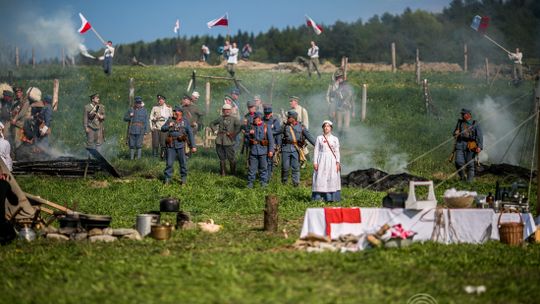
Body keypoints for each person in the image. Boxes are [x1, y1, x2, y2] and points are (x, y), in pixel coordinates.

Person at [161, 106, 196, 185]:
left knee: (183, 163)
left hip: (181, 145)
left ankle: (183, 180)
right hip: (171, 145)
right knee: (169, 163)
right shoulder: (170, 120)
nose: (174, 113)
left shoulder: (185, 121)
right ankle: (167, 180)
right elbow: (162, 128)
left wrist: (193, 146)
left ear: (180, 113)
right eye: (174, 111)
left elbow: (190, 133)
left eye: (175, 111)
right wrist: (169, 126)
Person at [280, 111, 315, 187]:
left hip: (296, 150)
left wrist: (318, 144)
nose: (288, 118)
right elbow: (277, 133)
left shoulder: (301, 127)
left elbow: (309, 137)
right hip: (286, 148)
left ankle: (296, 185)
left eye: (289, 117)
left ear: (293, 118)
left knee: (295, 168)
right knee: (285, 168)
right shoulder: (285, 126)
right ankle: (284, 184)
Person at [312, 120, 341, 202]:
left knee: (331, 177)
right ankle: (319, 198)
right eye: (325, 126)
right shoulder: (319, 138)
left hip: (332, 160)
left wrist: (338, 162)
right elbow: (316, 150)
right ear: (323, 128)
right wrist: (315, 162)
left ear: (331, 128)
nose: (326, 128)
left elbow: (337, 151)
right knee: (321, 178)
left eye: (328, 126)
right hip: (321, 160)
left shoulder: (335, 139)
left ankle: (331, 198)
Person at [209, 104, 242, 176]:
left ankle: (233, 173)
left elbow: (239, 126)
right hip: (219, 140)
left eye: (228, 110)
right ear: (223, 111)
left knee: (231, 157)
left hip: (229, 141)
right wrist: (215, 131)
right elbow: (212, 123)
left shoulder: (234, 119)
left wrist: (234, 134)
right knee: (221, 158)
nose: (227, 111)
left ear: (230, 110)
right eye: (225, 110)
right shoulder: (220, 118)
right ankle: (223, 173)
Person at [452, 108, 483, 183]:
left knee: (470, 165)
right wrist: (455, 133)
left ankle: (469, 182)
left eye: (464, 114)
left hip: (471, 146)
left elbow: (479, 136)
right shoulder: (459, 123)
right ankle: (462, 177)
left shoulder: (475, 123)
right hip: (460, 144)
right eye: (462, 114)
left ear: (468, 115)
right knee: (458, 162)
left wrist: (479, 146)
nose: (462, 115)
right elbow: (454, 133)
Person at [246, 112, 274, 188]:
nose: (254, 120)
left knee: (263, 169)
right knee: (252, 169)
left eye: (255, 118)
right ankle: (250, 184)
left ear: (259, 118)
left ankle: (263, 184)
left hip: (263, 151)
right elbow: (246, 138)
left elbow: (271, 140)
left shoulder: (266, 126)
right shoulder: (251, 126)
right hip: (253, 151)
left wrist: (271, 150)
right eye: (254, 118)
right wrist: (249, 134)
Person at [327, 69, 355, 136]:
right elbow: (334, 101)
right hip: (339, 110)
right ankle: (339, 137)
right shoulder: (336, 90)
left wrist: (353, 111)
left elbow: (352, 101)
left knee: (346, 126)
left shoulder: (349, 91)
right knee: (339, 125)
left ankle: (345, 138)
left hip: (347, 110)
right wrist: (333, 110)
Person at [262, 104, 281, 179]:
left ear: (271, 113)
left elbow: (278, 131)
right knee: (263, 160)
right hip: (263, 143)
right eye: (266, 113)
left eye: (268, 113)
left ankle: (269, 176)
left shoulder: (275, 121)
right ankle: (264, 175)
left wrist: (269, 132)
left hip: (272, 143)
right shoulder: (262, 120)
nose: (267, 115)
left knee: (270, 160)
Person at [10, 86, 31, 151]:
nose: (18, 94)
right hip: (13, 123)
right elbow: (12, 111)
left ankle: (18, 156)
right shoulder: (15, 102)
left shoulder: (26, 102)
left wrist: (15, 119)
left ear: (22, 93)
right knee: (12, 140)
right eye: (16, 92)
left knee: (17, 142)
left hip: (20, 124)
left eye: (19, 92)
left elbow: (22, 113)